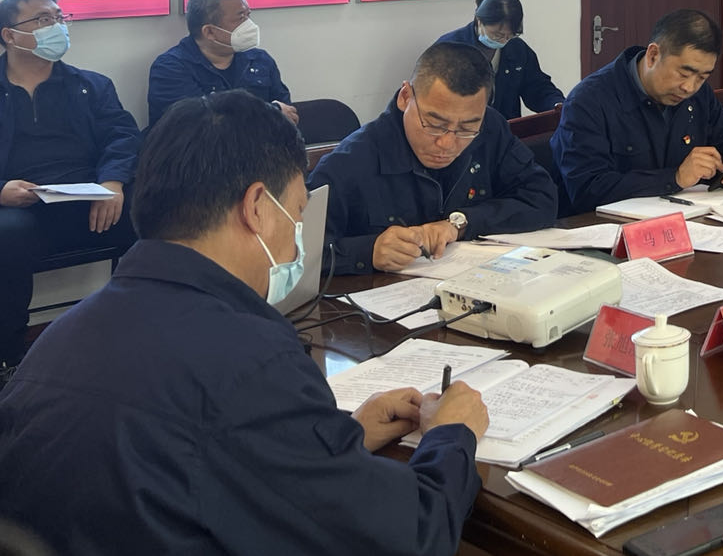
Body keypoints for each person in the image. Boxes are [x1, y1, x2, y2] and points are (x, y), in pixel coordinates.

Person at [0, 90, 489, 554]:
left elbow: (192, 455)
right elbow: (412, 537)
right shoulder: (249, 361)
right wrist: (451, 435)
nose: (297, 243)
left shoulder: (62, 336)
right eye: (297, 214)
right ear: (257, 207)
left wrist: (344, 436)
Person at [310, 42, 557, 274]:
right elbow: (296, 255)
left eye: (466, 129)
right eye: (435, 125)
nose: (447, 144)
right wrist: (368, 251)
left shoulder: (491, 129)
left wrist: (461, 224)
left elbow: (542, 198)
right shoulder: (350, 162)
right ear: (405, 97)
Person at [0, 0, 141, 371]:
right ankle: (10, 357)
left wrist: (113, 182)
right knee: (7, 234)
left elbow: (123, 136)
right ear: (10, 35)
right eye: (44, 20)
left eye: (61, 18)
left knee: (153, 210)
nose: (58, 27)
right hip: (19, 209)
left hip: (90, 201)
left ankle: (136, 337)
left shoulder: (91, 85)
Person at [553, 9, 723, 216]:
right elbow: (587, 190)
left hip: (687, 218)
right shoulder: (589, 101)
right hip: (606, 226)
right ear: (653, 56)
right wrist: (674, 178)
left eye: (702, 77)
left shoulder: (699, 94)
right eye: (683, 74)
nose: (689, 87)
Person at [148, 0, 295, 126]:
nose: (249, 24)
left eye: (248, 15)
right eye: (241, 18)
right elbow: (200, 126)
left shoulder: (259, 59)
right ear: (209, 32)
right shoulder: (170, 68)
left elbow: (288, 116)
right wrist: (270, 112)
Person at [436, 0, 564, 121]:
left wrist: (557, 105)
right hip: (463, 129)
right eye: (497, 35)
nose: (503, 41)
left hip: (508, 128)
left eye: (510, 36)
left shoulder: (517, 48)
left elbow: (537, 87)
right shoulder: (448, 49)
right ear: (479, 21)